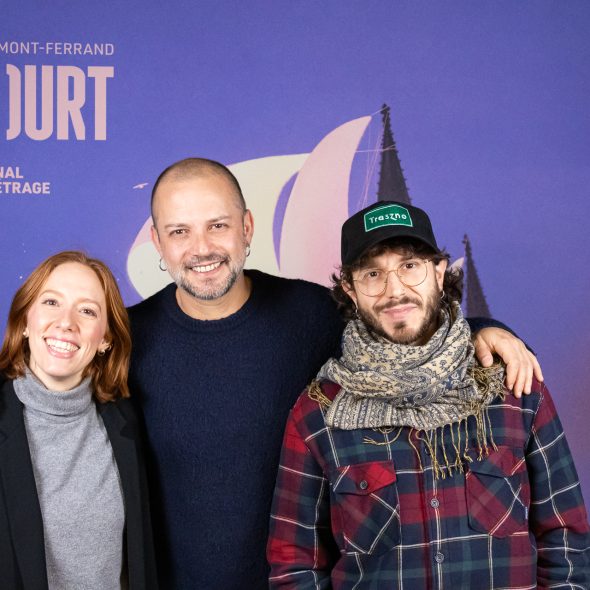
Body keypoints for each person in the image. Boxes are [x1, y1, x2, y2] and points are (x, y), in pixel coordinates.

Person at [127, 158, 542, 589]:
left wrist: (484, 331)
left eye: (217, 225)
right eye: (179, 231)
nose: (201, 248)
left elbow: (405, 329)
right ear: (157, 241)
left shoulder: (311, 313)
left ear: (246, 227)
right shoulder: (127, 340)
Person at [267, 200, 590, 588]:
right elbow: (294, 564)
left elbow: (566, 540)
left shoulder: (513, 387)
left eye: (409, 266)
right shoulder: (318, 414)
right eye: (373, 273)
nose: (395, 290)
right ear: (351, 290)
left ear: (438, 273)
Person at [0, 251, 158, 590]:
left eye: (87, 311)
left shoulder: (126, 420)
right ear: (25, 320)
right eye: (51, 303)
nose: (66, 323)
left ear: (105, 339)